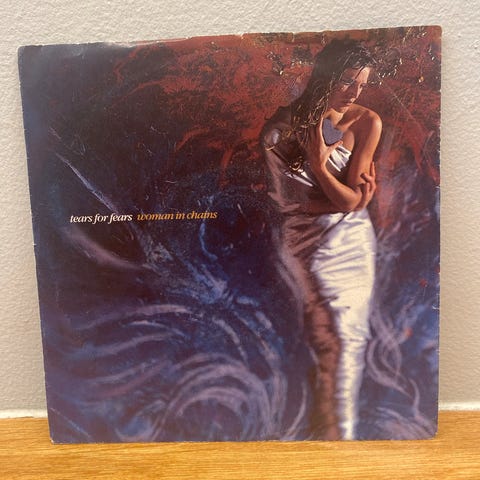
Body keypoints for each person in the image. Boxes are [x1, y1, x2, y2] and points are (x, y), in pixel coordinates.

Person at [262, 39, 382, 440]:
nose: (355, 93)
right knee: (334, 341)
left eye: (362, 84)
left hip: (354, 242)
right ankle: (333, 437)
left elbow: (348, 202)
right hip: (309, 241)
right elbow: (296, 203)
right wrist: (344, 194)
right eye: (347, 81)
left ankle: (335, 435)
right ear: (325, 76)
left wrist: (320, 168)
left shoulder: (367, 122)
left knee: (351, 340)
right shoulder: (280, 131)